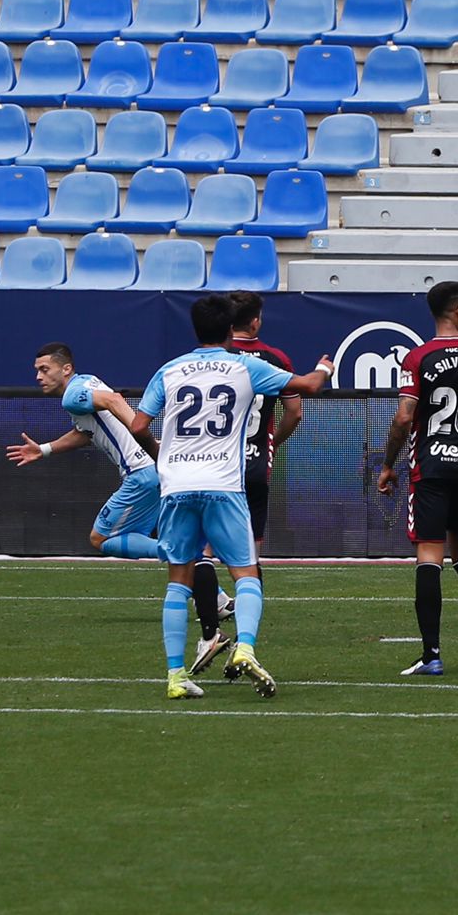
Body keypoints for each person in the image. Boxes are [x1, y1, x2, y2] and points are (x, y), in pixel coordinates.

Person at [128, 296, 332, 700]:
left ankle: (175, 676)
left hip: (178, 484)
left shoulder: (169, 370)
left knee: (177, 581)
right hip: (223, 484)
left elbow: (137, 424)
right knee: (246, 574)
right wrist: (324, 368)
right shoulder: (243, 366)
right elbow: (307, 386)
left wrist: (163, 457)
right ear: (230, 331)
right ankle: (245, 648)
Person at [377, 281, 458, 677]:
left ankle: (432, 655)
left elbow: (403, 417)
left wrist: (387, 463)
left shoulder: (419, 359)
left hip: (429, 468)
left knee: (429, 556)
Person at [7, 342, 162, 561]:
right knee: (139, 536)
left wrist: (142, 432)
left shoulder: (72, 395)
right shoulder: (86, 381)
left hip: (141, 472)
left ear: (66, 369)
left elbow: (113, 400)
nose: (39, 377)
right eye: (37, 371)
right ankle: (212, 590)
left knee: (101, 538)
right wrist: (44, 450)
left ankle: (179, 555)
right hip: (156, 468)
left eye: (45, 369)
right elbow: (85, 433)